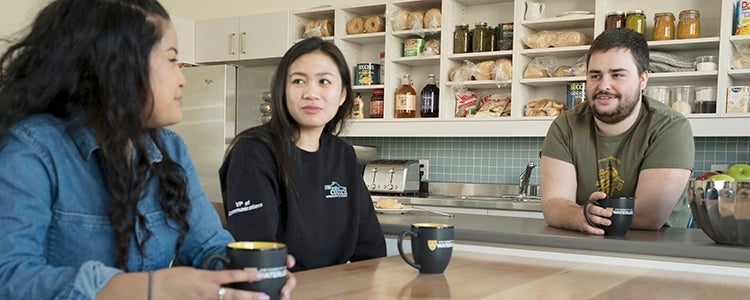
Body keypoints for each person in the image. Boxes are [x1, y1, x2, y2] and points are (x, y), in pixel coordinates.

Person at [0, 0, 296, 299]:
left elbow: (208, 247)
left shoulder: (171, 150)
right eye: (171, 60)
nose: (182, 79)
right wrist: (150, 288)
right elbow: (9, 277)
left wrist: (248, 275)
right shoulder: (32, 149)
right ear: (117, 65)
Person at [219, 37, 387, 271]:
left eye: (324, 81)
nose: (311, 93)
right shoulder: (253, 152)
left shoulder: (344, 155)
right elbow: (258, 258)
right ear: (282, 90)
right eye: (299, 81)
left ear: (342, 96)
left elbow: (371, 250)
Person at [539, 28, 695, 235]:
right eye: (595, 75)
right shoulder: (565, 126)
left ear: (643, 79)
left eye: (617, 75)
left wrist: (586, 213)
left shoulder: (671, 128)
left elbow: (648, 217)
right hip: (585, 247)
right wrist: (579, 215)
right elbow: (553, 205)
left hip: (661, 252)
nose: (604, 85)